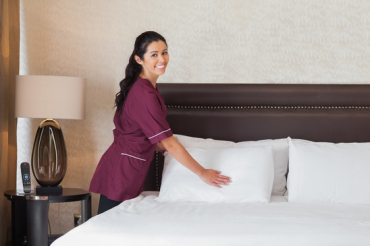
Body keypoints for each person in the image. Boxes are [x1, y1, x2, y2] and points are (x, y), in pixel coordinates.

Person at [89, 31, 231, 214]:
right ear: (139, 59)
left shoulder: (146, 86)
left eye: (164, 52)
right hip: (123, 170)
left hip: (125, 165)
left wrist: (160, 146)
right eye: (154, 55)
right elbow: (170, 143)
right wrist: (203, 173)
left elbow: (140, 132)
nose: (161, 59)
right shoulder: (144, 94)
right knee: (109, 231)